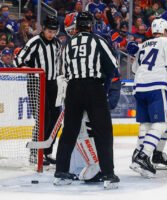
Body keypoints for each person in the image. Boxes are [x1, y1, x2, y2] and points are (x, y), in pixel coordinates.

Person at [54, 11, 120, 189]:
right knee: (103, 132)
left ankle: (60, 172)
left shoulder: (67, 44)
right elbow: (112, 66)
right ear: (91, 25)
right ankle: (108, 174)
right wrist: (103, 87)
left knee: (69, 132)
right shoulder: (98, 40)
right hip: (93, 88)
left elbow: (64, 70)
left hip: (73, 89)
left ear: (76, 27)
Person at [128, 18, 167, 178]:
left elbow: (135, 69)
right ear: (165, 30)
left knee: (146, 124)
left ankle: (140, 155)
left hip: (139, 86)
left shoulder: (143, 45)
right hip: (157, 86)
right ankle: (143, 156)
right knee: (161, 124)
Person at [13, 15, 62, 165]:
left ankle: (46, 152)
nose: (51, 34)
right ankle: (35, 152)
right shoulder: (34, 42)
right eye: (49, 31)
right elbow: (18, 60)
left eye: (54, 32)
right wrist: (29, 70)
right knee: (43, 118)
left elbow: (58, 63)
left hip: (53, 84)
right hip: (37, 83)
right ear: (43, 29)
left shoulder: (57, 43)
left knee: (56, 119)